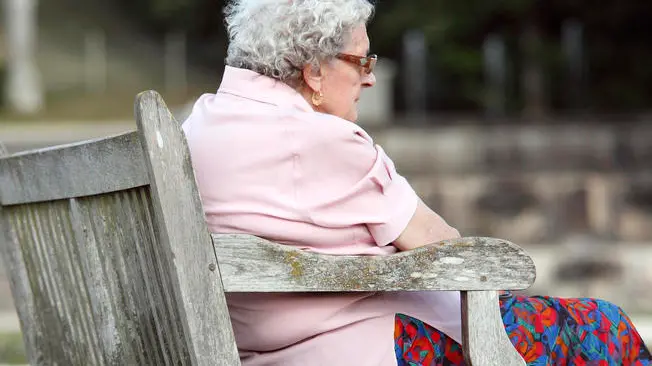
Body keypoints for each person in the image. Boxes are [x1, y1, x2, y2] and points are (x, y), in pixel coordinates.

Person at [181, 0, 652, 365]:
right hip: (358, 347)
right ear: (314, 72)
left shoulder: (200, 123)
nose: (370, 79)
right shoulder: (323, 140)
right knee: (604, 327)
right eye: (361, 62)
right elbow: (446, 248)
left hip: (262, 347)